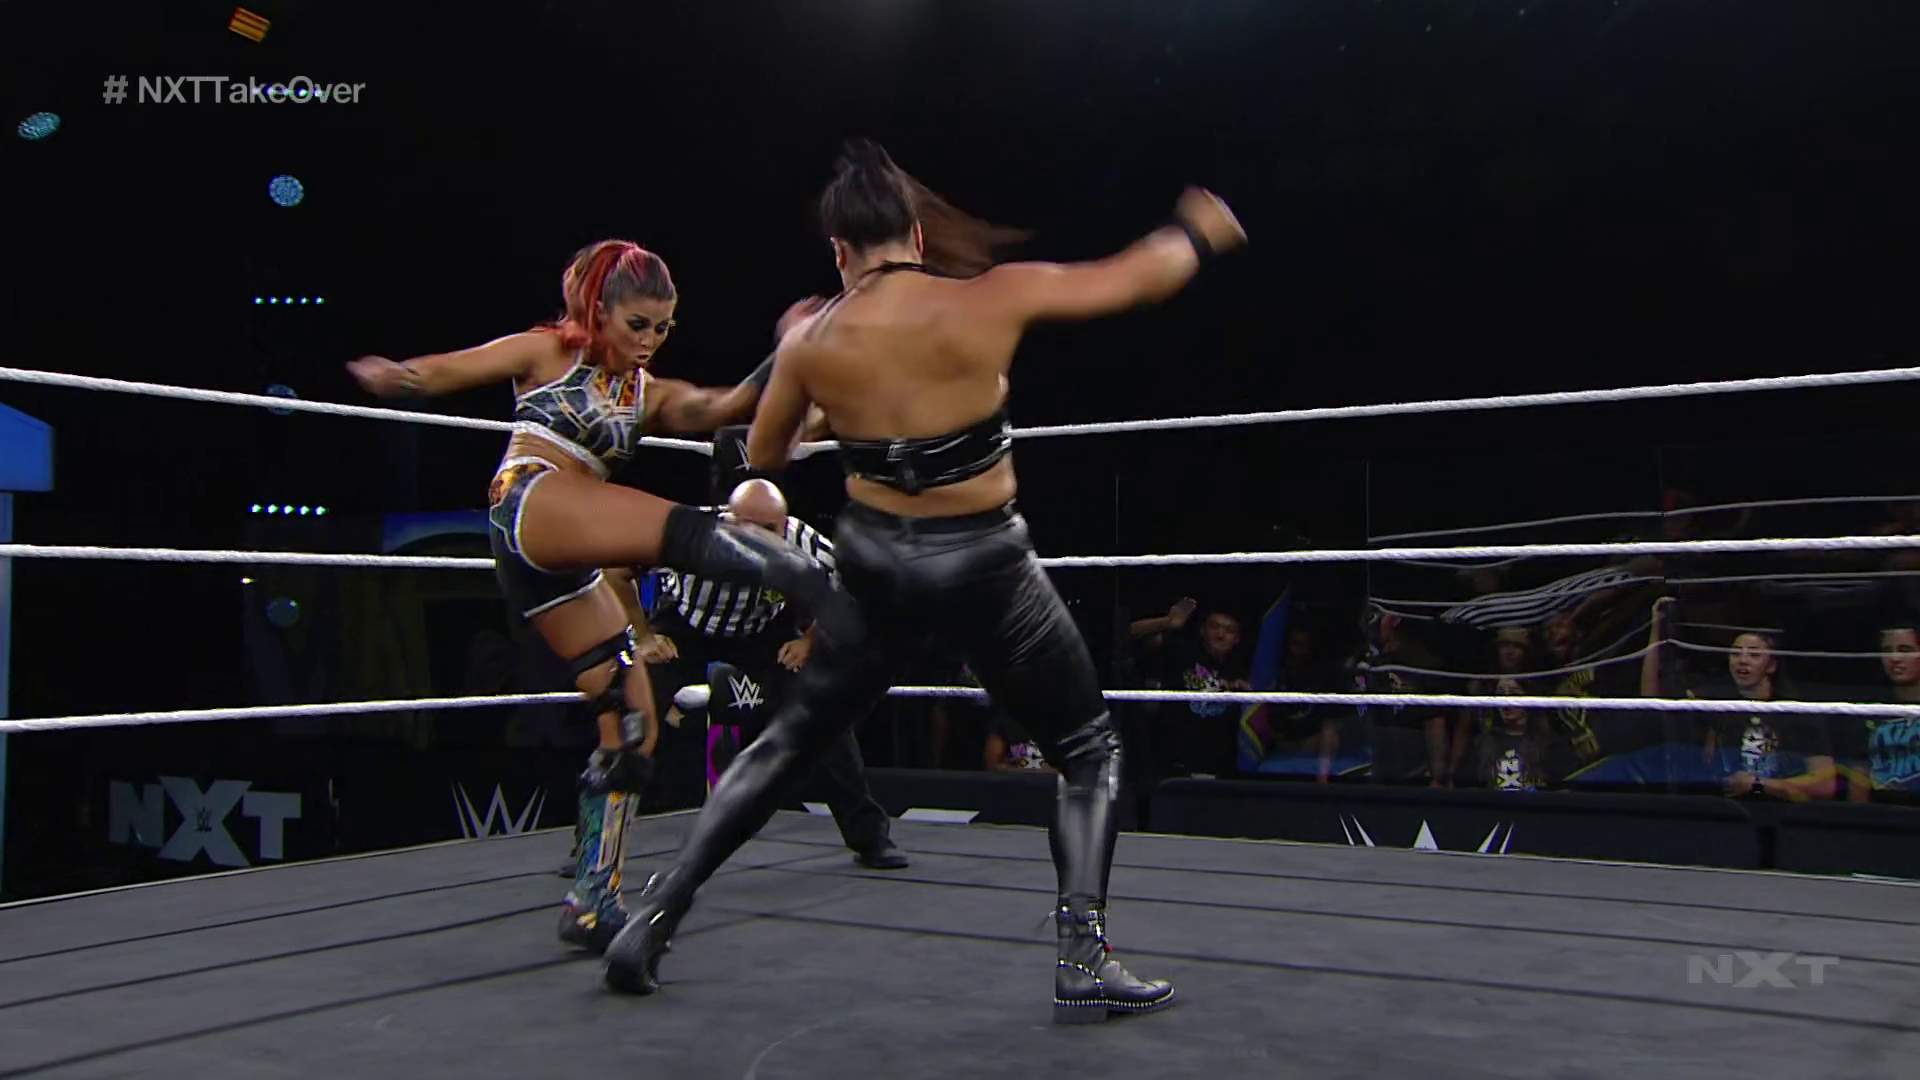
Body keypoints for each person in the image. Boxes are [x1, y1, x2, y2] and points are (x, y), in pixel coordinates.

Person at [603, 139, 1246, 1024]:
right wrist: (1196, 234)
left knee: (787, 744)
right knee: (1088, 747)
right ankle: (1083, 955)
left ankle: (651, 923)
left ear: (839, 251)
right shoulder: (988, 298)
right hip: (985, 565)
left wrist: (818, 387)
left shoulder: (812, 341)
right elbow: (1132, 278)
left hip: (877, 567)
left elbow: (762, 458)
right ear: (913, 234)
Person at [347, 239, 845, 954]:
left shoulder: (648, 393)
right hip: (531, 502)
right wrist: (394, 376)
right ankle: (787, 569)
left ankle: (591, 899)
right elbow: (444, 371)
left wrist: (787, 346)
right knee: (694, 531)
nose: (649, 341)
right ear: (597, 311)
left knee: (633, 718)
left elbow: (730, 404)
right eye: (637, 324)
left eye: (663, 328)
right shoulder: (549, 353)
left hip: (564, 565)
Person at [637, 475, 908, 869]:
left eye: (772, 528)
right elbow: (615, 569)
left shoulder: (802, 541)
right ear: (730, 520)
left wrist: (809, 640)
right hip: (686, 625)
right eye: (752, 527)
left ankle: (870, 837)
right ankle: (596, 847)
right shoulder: (691, 531)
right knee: (632, 714)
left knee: (824, 712)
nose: (763, 539)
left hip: (762, 631)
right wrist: (643, 636)